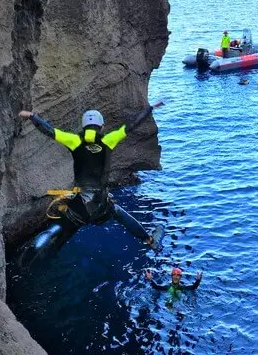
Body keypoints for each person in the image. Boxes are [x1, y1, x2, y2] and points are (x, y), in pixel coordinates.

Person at [17, 102, 163, 260]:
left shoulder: (74, 140)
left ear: (84, 125)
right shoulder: (108, 139)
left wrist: (32, 116)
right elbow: (132, 124)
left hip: (79, 204)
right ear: (100, 125)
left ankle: (41, 252)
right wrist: (150, 108)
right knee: (120, 214)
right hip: (100, 203)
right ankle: (149, 240)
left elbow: (50, 131)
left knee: (63, 227)